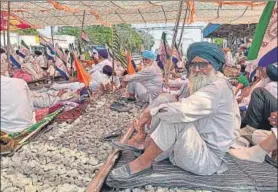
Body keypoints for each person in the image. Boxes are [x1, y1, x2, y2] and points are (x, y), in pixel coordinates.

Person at [111, 42, 240, 180]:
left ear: (214, 65)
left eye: (202, 65)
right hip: (193, 145)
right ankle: (142, 140)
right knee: (165, 99)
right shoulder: (207, 81)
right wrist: (158, 107)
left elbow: (182, 111)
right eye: (193, 65)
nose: (196, 69)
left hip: (206, 158)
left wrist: (150, 113)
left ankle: (143, 164)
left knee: (176, 118)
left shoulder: (217, 88)